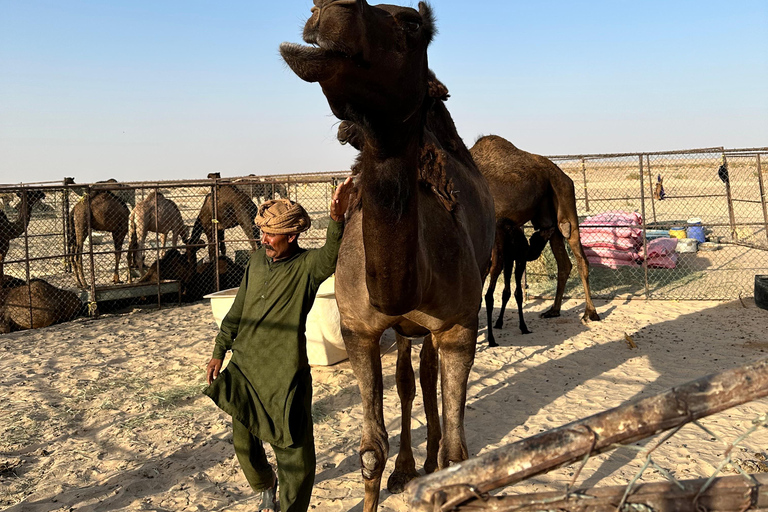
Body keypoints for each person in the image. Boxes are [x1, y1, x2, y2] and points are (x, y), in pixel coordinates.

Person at [204, 176, 353, 512]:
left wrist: (337, 220)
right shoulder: (256, 261)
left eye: (270, 234)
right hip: (245, 367)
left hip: (285, 374)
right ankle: (265, 484)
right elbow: (238, 309)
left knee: (294, 455)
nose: (264, 239)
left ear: (291, 235)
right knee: (243, 442)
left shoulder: (307, 267)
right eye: (262, 232)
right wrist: (219, 349)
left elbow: (331, 255)